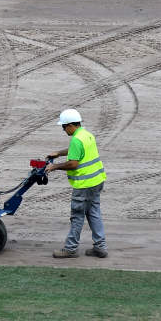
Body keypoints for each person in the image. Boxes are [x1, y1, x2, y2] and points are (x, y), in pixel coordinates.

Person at [46, 108, 108, 259]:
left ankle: (70, 249)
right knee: (94, 213)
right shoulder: (86, 135)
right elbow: (76, 150)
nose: (63, 130)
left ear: (70, 125)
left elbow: (73, 164)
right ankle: (100, 247)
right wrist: (58, 153)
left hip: (84, 185)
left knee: (77, 216)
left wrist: (54, 167)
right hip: (97, 181)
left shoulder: (76, 139)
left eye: (63, 127)